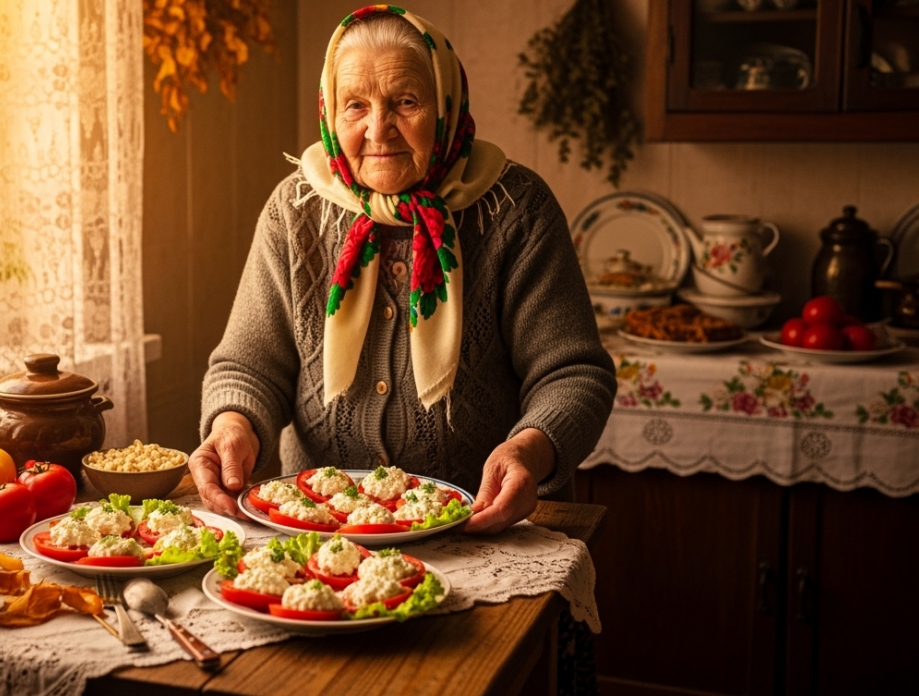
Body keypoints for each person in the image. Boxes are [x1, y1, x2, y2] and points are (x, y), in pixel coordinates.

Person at [189, 6, 616, 535]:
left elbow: (574, 374)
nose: (378, 129)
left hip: (481, 527)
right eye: (355, 105)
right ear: (330, 111)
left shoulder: (514, 208)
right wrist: (232, 424)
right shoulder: (296, 208)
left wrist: (531, 449)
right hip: (319, 531)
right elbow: (249, 367)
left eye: (405, 102)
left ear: (447, 107)